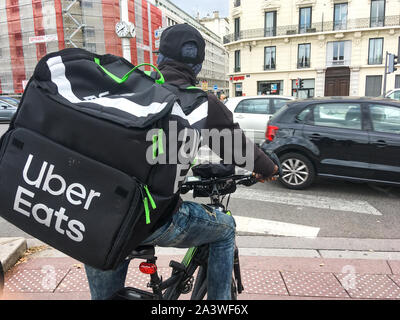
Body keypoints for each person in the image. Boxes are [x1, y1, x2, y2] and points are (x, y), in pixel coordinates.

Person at [85, 23, 277, 300]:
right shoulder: (201, 103)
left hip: (98, 214)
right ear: (197, 67)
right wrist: (269, 169)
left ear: (159, 57)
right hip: (153, 219)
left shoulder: (127, 89)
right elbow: (241, 151)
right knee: (225, 229)